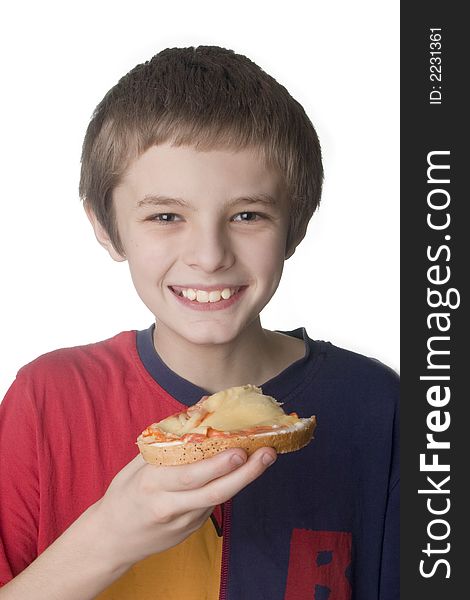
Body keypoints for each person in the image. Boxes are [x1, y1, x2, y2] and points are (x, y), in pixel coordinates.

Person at [0, 46, 399, 599]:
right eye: (166, 216)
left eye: (247, 215)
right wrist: (111, 534)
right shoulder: (47, 398)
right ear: (106, 227)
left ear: (296, 226)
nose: (209, 256)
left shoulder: (381, 407)